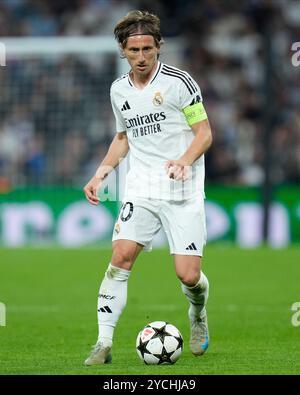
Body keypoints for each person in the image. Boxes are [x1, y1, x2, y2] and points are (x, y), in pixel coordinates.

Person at [83, 10, 212, 365]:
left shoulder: (179, 83)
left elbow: (204, 133)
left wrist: (184, 160)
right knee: (120, 258)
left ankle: (198, 314)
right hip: (140, 188)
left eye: (148, 49)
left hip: (181, 190)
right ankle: (103, 342)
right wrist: (100, 175)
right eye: (134, 50)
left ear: (159, 47)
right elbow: (123, 138)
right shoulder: (118, 89)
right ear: (122, 50)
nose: (141, 57)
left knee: (188, 275)